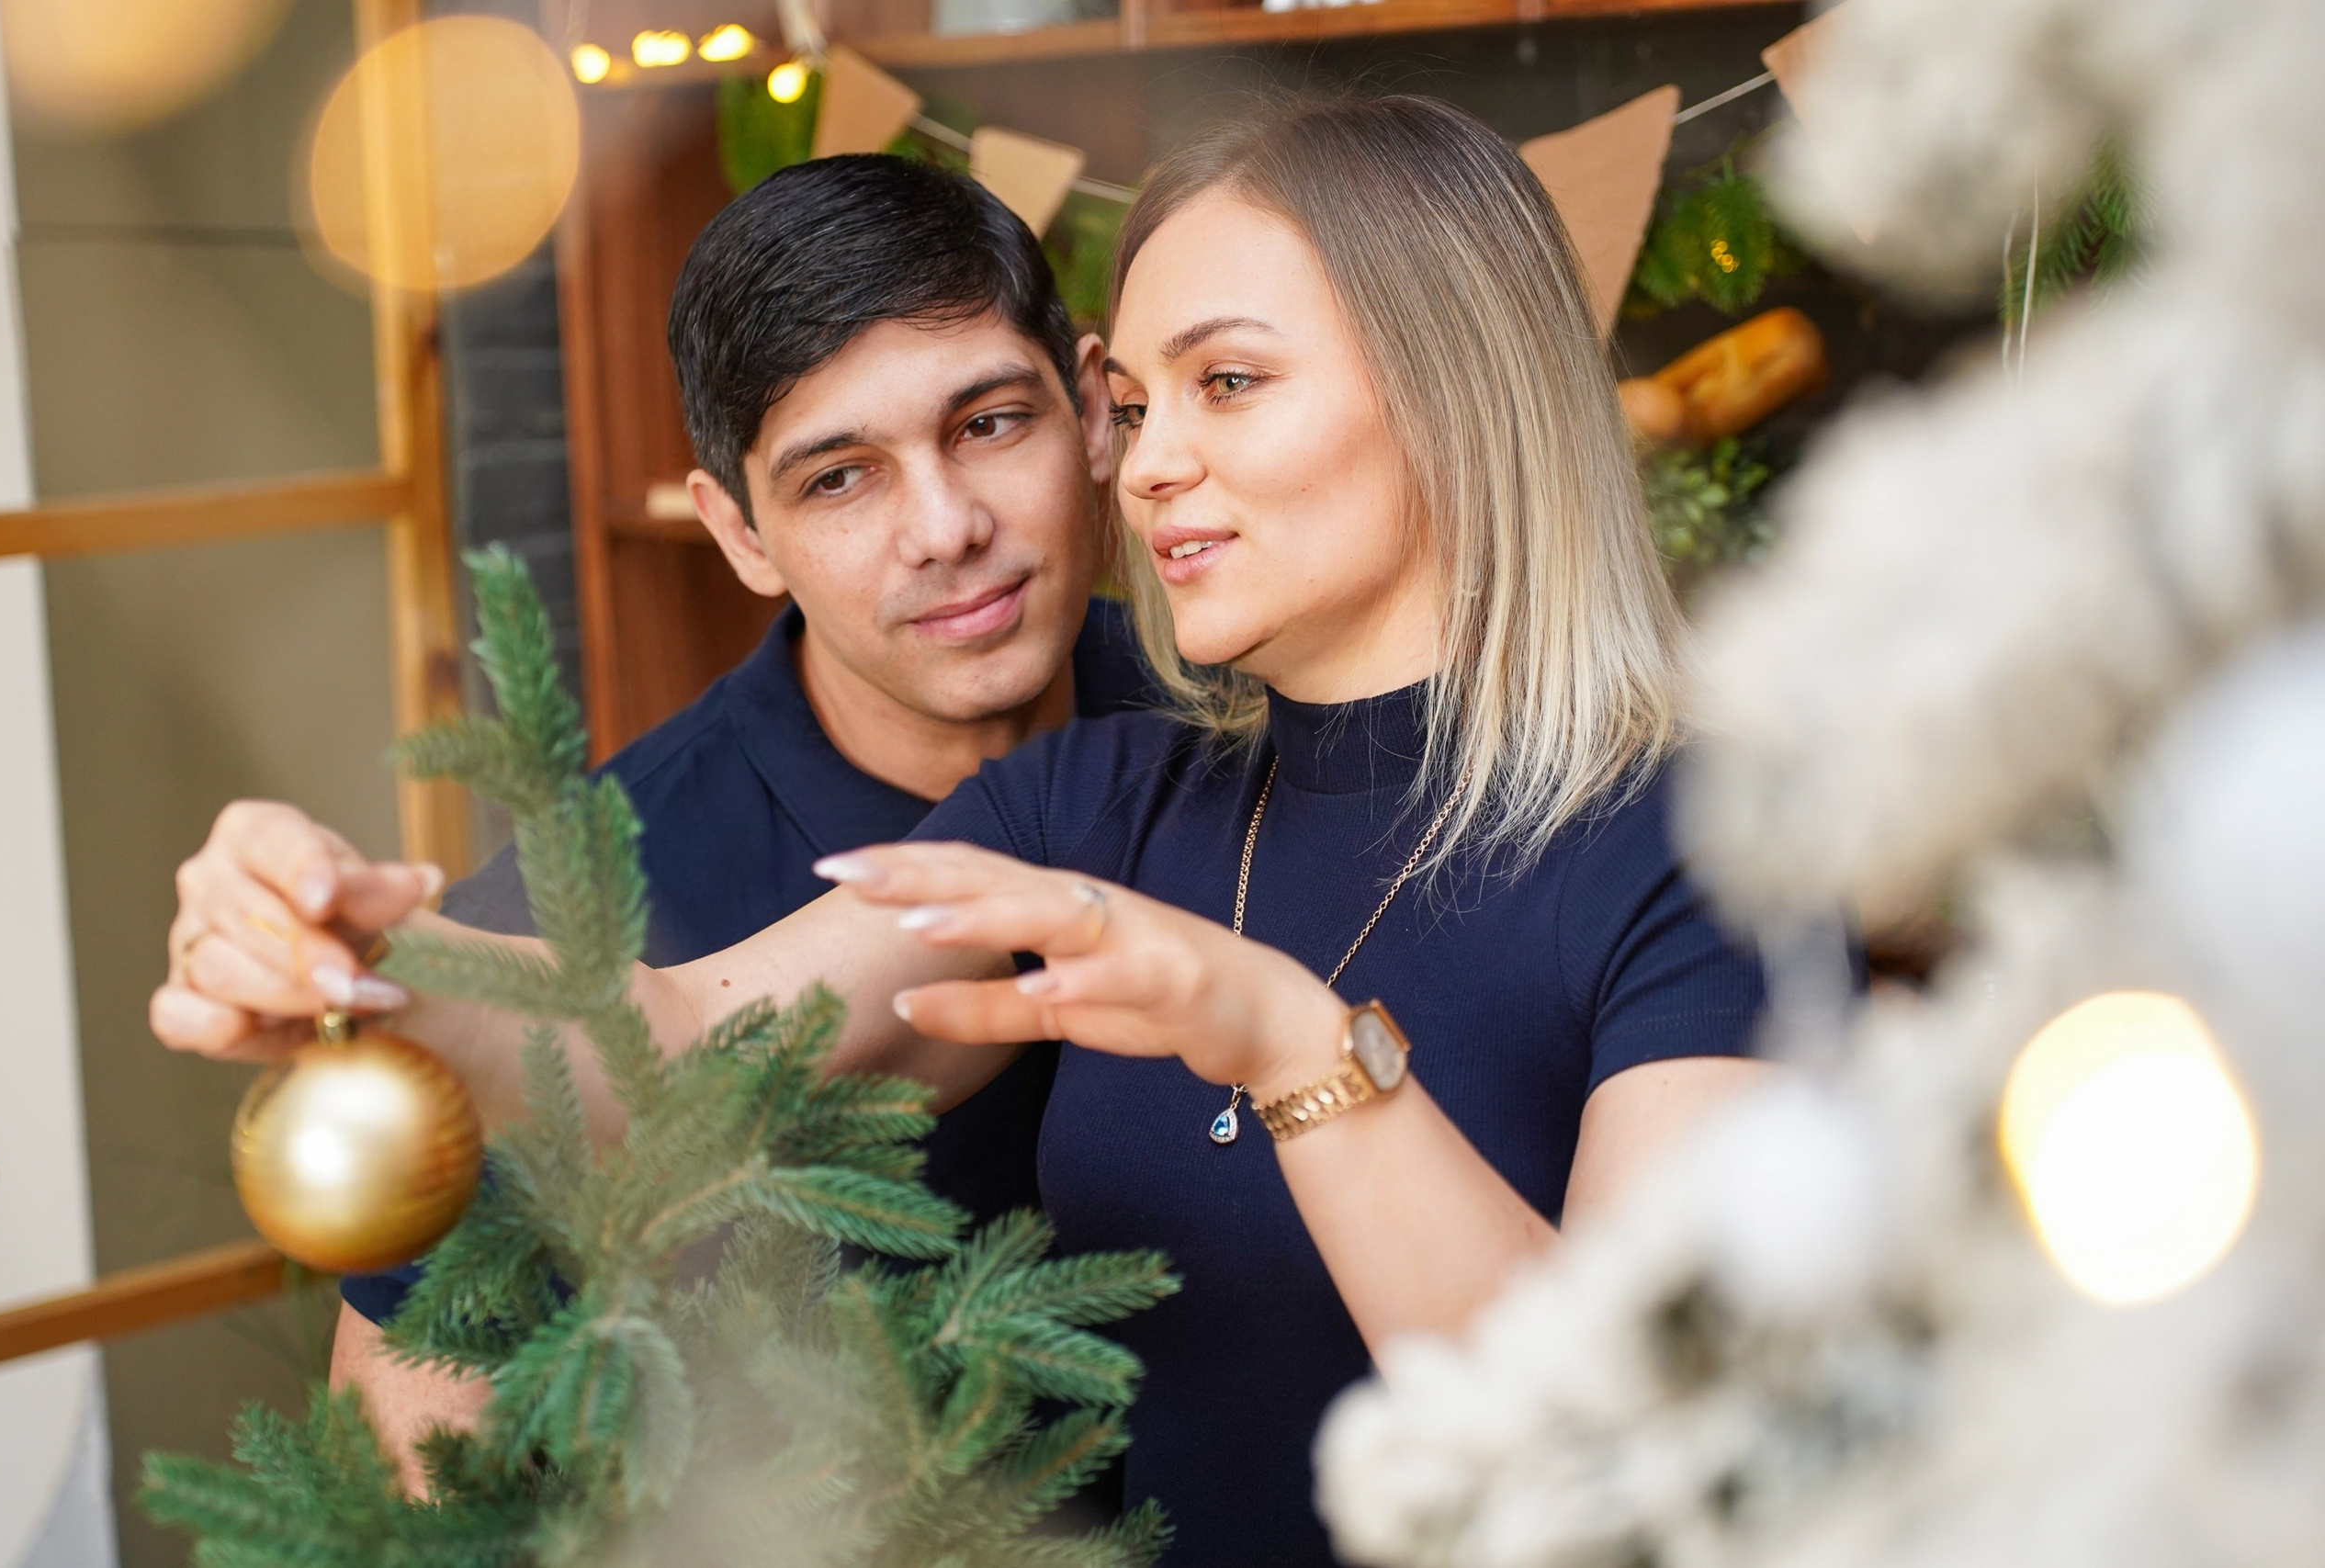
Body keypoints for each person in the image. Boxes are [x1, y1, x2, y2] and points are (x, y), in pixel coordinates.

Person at [156, 96, 1773, 1565]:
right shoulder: (1093, 799)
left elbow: (1641, 1470)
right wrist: (369, 962)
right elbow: (681, 1050)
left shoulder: (1725, 842)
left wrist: (1292, 1044)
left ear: (1457, 387)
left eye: (1225, 384)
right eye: (1141, 403)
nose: (1151, 465)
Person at [162, 152, 1151, 1490]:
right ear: (739, 534)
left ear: (1091, 412)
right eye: (838, 479)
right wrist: (362, 963)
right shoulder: (576, 909)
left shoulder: (1231, 724)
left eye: (987, 424)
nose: (946, 527)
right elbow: (421, 1452)